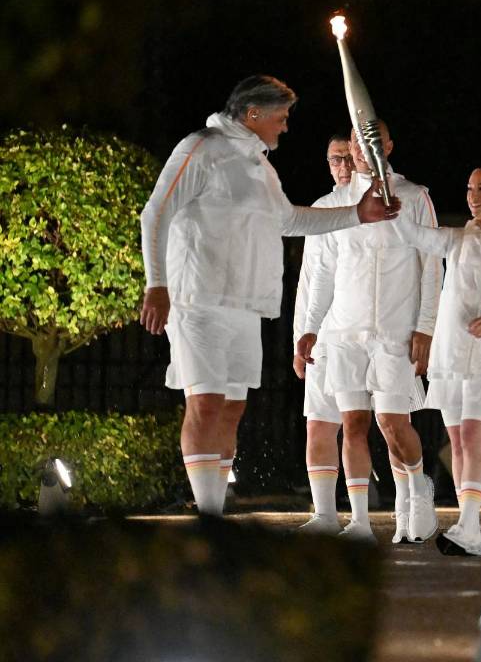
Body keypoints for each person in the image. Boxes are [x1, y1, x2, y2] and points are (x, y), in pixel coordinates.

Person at [140, 76, 398, 517]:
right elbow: (156, 213)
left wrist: (358, 213)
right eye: (281, 117)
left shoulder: (261, 167)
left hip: (245, 306)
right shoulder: (200, 148)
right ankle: (209, 518)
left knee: (232, 408)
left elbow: (290, 220)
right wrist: (157, 284)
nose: (285, 126)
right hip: (198, 299)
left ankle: (215, 510)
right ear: (253, 113)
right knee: (205, 402)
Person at [295, 120, 442, 543]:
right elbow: (322, 275)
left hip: (395, 332)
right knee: (353, 423)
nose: (361, 149)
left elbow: (432, 265)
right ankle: (360, 523)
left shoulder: (414, 196)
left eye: (371, 140)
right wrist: (309, 328)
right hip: (344, 333)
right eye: (356, 141)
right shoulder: (334, 205)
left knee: (393, 424)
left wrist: (426, 328)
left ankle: (418, 488)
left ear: (388, 146)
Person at [390, 166, 481, 555]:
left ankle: (470, 527)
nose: (473, 196)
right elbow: (411, 234)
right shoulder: (456, 239)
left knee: (472, 437)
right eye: (470, 188)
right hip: (450, 355)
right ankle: (468, 527)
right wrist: (388, 197)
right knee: (456, 442)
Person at [292, 135, 355, 533]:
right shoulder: (319, 210)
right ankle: (325, 515)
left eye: (348, 158)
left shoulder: (382, 203)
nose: (343, 166)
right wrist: (301, 336)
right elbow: (309, 281)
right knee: (319, 422)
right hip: (322, 337)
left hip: (363, 334)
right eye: (335, 159)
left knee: (374, 425)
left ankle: (406, 503)